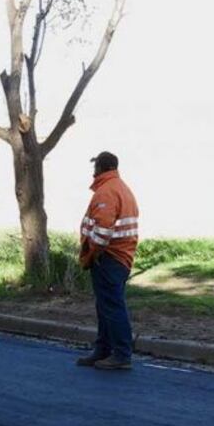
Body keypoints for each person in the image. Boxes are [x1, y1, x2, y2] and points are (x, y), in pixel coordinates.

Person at [77, 151, 139, 371]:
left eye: (95, 166)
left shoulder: (107, 192)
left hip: (108, 258)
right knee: (106, 306)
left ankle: (121, 354)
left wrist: (92, 254)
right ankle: (103, 349)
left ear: (101, 168)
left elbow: (102, 232)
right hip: (117, 257)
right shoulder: (119, 187)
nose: (93, 171)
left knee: (112, 306)